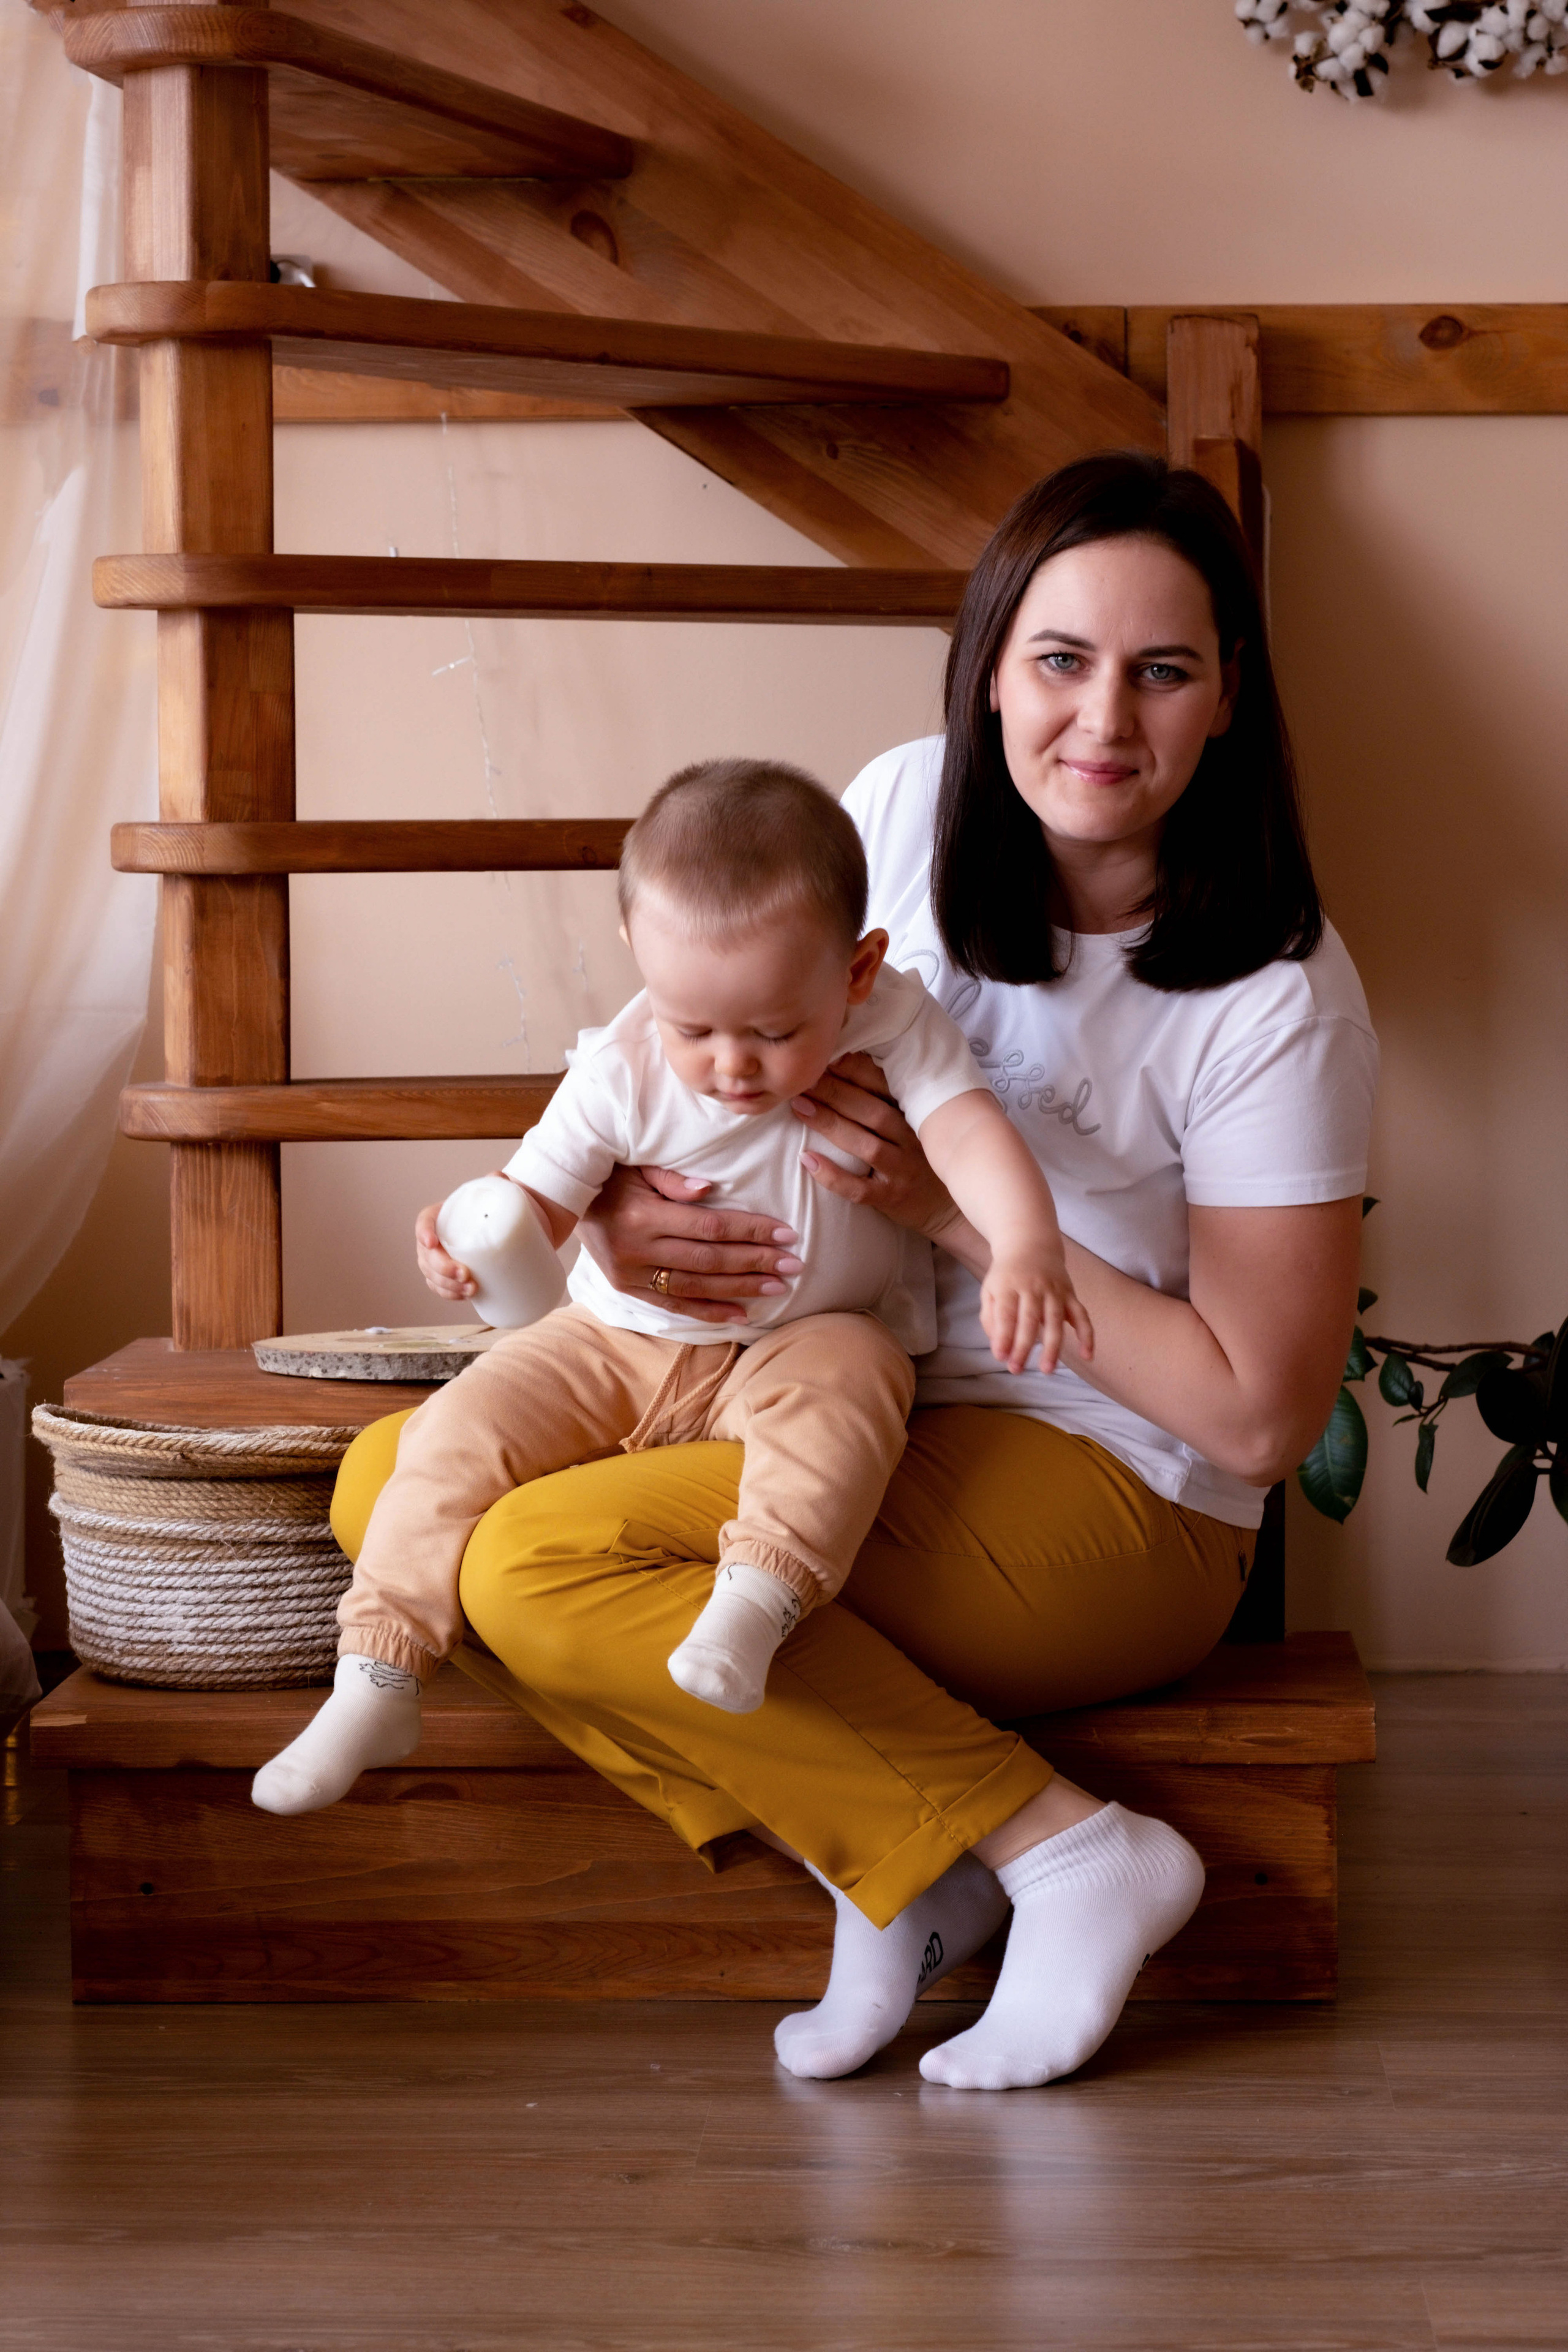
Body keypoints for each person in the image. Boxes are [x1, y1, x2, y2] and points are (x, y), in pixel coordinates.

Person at [330, 451, 1378, 2091]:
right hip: (825, 1389)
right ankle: (903, 1852)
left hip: (1114, 1494)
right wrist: (605, 1220)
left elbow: (1256, 1422)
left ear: (1227, 698)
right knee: (390, 1488)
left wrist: (956, 1215)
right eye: (1061, 660)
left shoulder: (1278, 999)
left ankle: (1061, 1852)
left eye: (1163, 671)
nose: (1104, 718)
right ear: (987, 670)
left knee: (531, 1566)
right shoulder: (893, 811)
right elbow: (703, 1034)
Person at [254, 759, 1088, 1817]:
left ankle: (758, 1597)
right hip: (619, 1341)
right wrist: (477, 1244)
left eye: (774, 1032)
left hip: (805, 1337)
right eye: (694, 1027)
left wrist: (1023, 1246)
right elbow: (540, 1202)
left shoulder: (896, 1027)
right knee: (449, 1433)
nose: (730, 1066)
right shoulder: (623, 1062)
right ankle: (377, 1672)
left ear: (857, 972)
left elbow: (970, 1132)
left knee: (854, 1385)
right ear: (643, 964)